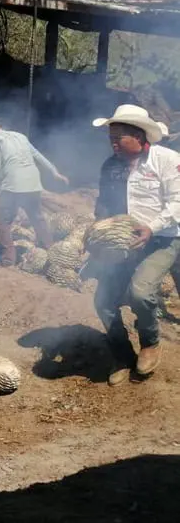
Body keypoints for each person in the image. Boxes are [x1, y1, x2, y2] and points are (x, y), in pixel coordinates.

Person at [91, 104, 180, 386]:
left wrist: (151, 228)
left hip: (163, 238)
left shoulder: (167, 160)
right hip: (123, 242)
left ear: (140, 138)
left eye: (119, 137)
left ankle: (150, 343)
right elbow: (104, 204)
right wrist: (98, 234)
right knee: (103, 301)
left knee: (140, 292)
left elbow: (178, 201)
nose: (113, 142)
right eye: (111, 137)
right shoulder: (110, 166)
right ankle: (121, 355)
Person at [0, 116, 68, 267]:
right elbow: (38, 155)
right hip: (33, 183)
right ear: (0, 125)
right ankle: (50, 250)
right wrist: (54, 172)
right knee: (37, 217)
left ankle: (8, 259)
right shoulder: (20, 137)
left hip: (12, 185)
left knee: (3, 223)